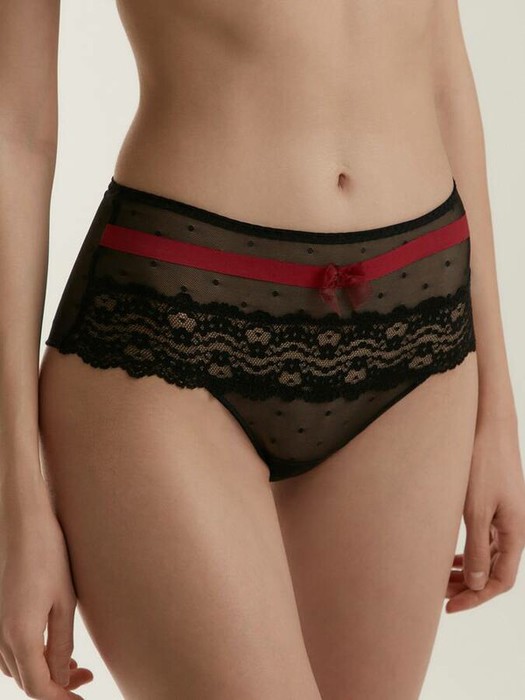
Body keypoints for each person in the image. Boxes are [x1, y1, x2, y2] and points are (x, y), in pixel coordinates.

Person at [1, 1, 524, 698]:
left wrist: (496, 411)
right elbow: (14, 131)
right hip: (172, 332)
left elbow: (441, 58)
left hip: (420, 328)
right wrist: (13, 511)